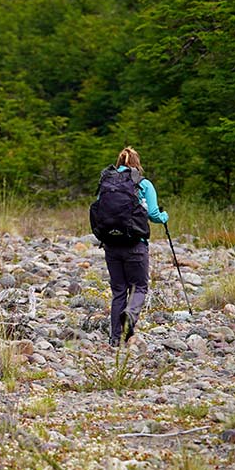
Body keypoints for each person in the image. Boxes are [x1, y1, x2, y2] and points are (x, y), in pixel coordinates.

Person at [102, 147, 168, 346]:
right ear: (137, 163)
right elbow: (154, 215)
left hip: (111, 244)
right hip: (135, 244)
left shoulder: (107, 182)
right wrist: (165, 217)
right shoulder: (143, 184)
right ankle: (130, 315)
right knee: (139, 286)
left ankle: (115, 339)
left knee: (119, 290)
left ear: (119, 162)